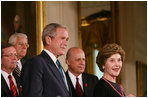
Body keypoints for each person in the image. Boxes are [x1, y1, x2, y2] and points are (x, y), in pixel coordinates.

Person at [22, 23, 71, 97]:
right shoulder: (36, 63)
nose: (66, 43)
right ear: (48, 40)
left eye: (67, 39)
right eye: (62, 38)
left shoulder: (59, 66)